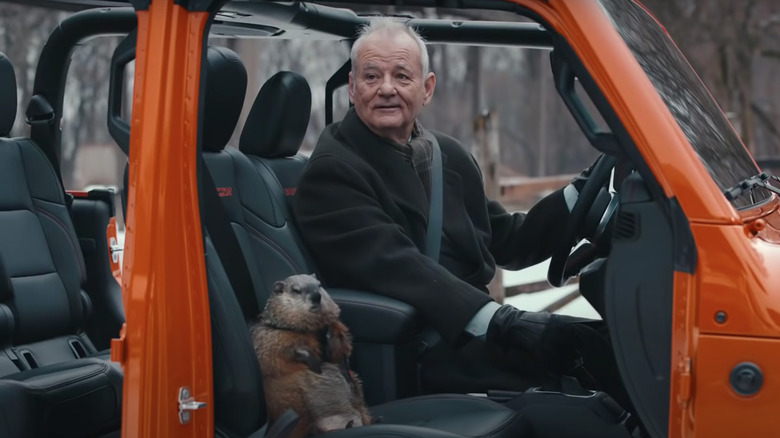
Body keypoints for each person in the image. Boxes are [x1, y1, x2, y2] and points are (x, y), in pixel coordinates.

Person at [293, 17, 625, 404]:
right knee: (597, 365)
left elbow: (504, 240)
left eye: (402, 76)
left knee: (612, 346)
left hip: (469, 329)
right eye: (371, 77)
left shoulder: (444, 154)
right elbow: (399, 266)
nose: (386, 88)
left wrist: (577, 198)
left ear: (427, 88)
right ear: (352, 88)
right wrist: (502, 322)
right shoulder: (332, 171)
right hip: (415, 346)